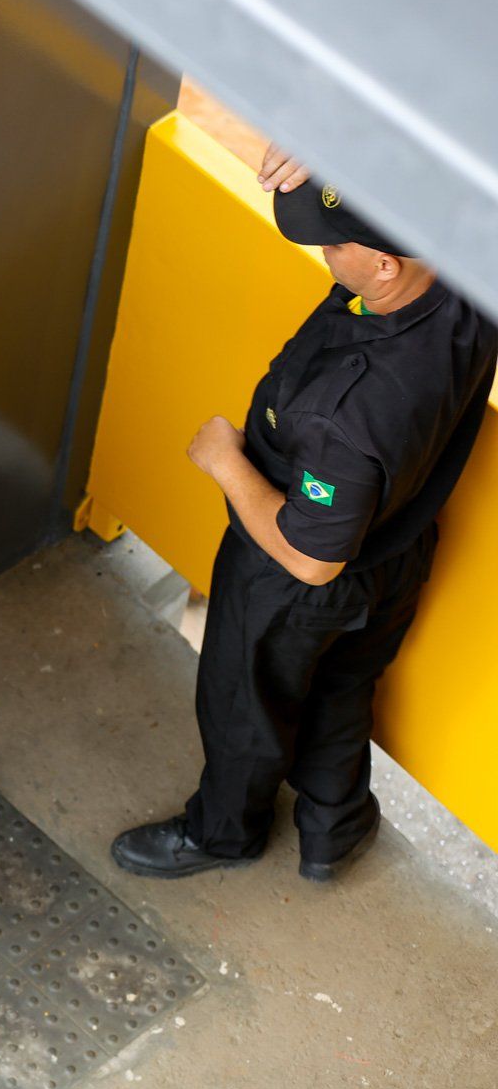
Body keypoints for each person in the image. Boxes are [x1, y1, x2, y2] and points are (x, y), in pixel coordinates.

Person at [113, 147, 498, 882]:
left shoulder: (349, 417)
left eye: (334, 244)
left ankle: (224, 834)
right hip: (398, 553)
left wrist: (225, 460)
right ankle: (334, 825)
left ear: (386, 265)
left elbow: (310, 555)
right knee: (344, 685)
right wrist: (334, 139)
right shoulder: (470, 279)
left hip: (297, 581)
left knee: (242, 704)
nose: (324, 254)